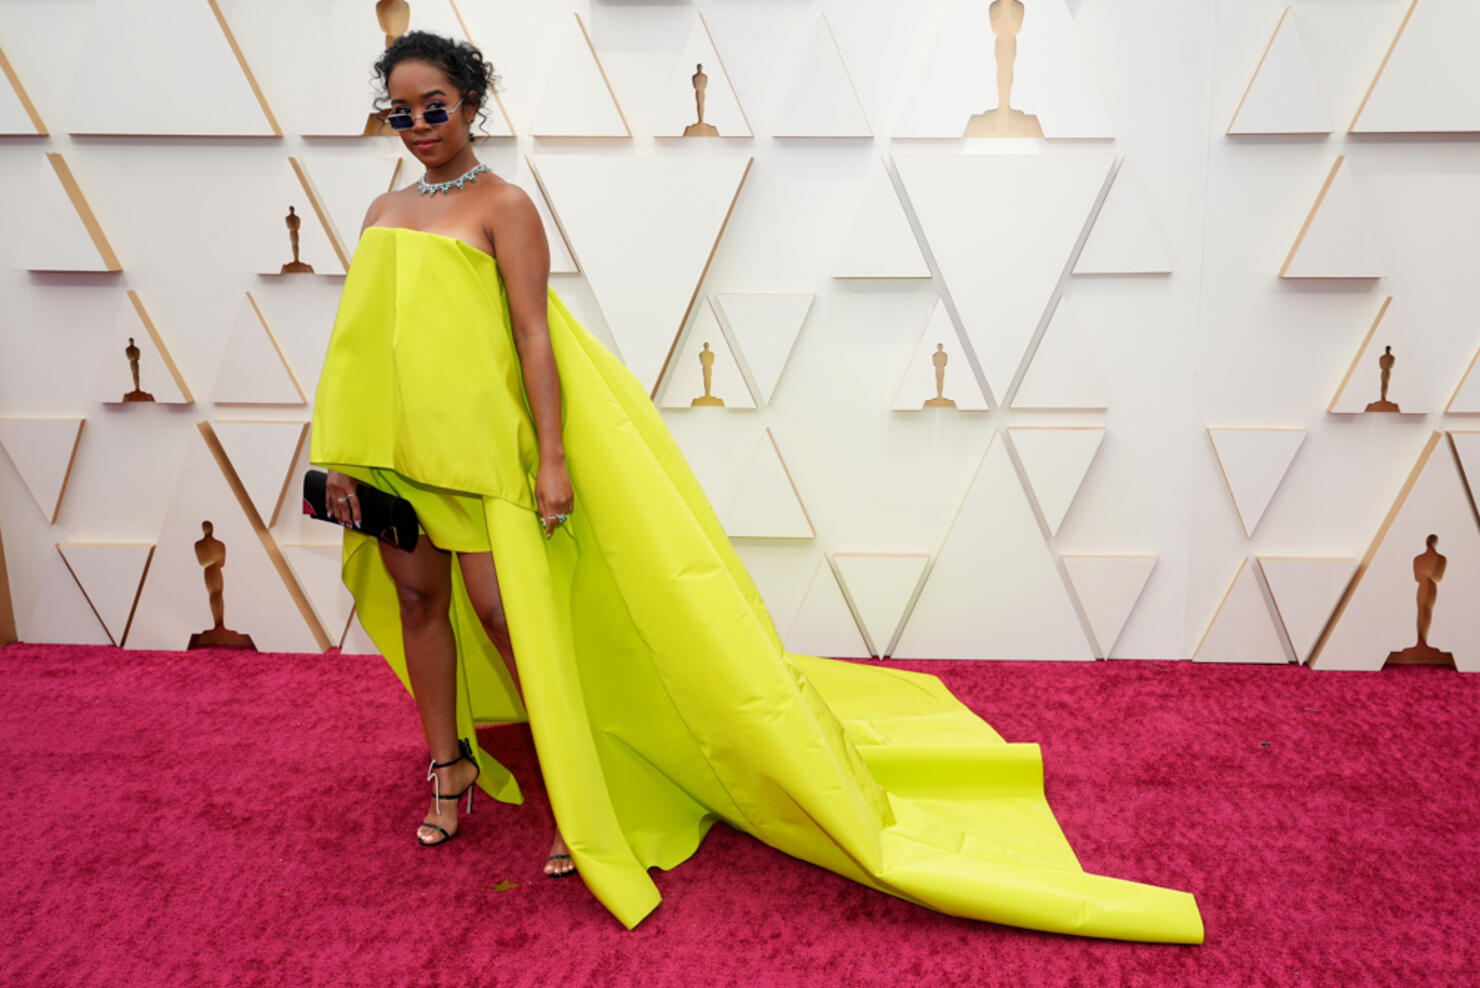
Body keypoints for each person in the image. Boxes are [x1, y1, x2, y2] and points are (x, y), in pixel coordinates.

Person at [310, 30, 1204, 942]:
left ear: (469, 107)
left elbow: (534, 337)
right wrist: (339, 451)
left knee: (510, 617)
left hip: (482, 449)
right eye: (401, 111)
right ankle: (448, 767)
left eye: (436, 109)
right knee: (420, 603)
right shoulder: (383, 212)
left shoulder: (505, 206)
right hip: (396, 451)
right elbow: (359, 343)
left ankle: (586, 794)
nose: (419, 126)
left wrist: (550, 456)